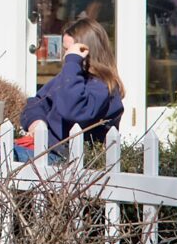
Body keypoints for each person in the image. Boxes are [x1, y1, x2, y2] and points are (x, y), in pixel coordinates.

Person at [19, 17, 125, 149]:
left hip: (67, 160)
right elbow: (36, 102)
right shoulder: (69, 78)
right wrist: (36, 121)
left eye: (70, 51)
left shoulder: (102, 87)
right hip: (46, 149)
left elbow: (74, 111)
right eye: (65, 50)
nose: (65, 56)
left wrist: (73, 62)